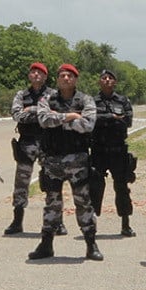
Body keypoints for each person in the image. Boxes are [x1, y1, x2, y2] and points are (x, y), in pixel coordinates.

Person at [26, 64, 102, 261]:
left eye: (70, 75)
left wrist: (58, 120)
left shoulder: (85, 100)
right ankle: (46, 245)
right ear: (57, 79)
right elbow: (43, 120)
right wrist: (70, 116)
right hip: (52, 160)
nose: (66, 78)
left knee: (83, 203)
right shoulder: (47, 99)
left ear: (75, 79)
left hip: (78, 160)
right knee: (52, 203)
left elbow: (88, 125)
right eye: (62, 75)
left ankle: (91, 244)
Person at [5, 63, 65, 236]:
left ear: (45, 76)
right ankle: (17, 221)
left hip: (49, 142)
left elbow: (56, 115)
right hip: (27, 142)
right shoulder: (21, 95)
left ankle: (57, 222)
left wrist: (31, 109)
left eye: (40, 72)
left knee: (53, 181)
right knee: (21, 183)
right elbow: (17, 115)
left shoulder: (54, 94)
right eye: (33, 72)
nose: (36, 74)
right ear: (29, 76)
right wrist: (42, 112)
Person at [89, 69, 136, 236]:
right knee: (94, 187)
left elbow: (127, 121)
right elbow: (89, 120)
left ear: (115, 82)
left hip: (118, 151)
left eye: (110, 78)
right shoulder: (91, 101)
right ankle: (91, 223)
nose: (107, 80)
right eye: (104, 78)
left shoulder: (123, 100)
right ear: (99, 82)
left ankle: (125, 224)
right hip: (98, 151)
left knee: (122, 187)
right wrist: (112, 118)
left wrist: (103, 118)